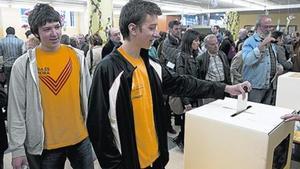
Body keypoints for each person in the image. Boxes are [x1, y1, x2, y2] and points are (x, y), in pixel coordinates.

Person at [87, 1, 251, 169]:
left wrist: (225, 88)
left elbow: (184, 83)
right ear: (133, 29)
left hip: (156, 161)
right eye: (151, 28)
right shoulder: (108, 69)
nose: (157, 34)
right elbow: (97, 126)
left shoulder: (152, 65)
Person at [7, 3, 93, 169]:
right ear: (36, 32)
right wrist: (17, 149)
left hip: (81, 138)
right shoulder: (23, 65)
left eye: (57, 27)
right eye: (47, 29)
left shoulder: (77, 57)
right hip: (46, 146)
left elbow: (89, 97)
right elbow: (16, 110)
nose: (54, 33)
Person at [242, 15, 283, 105]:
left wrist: (277, 66)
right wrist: (261, 46)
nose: (269, 29)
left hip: (269, 84)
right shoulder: (249, 41)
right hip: (255, 86)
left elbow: (270, 60)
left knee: (264, 112)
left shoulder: (270, 42)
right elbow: (247, 60)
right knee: (252, 112)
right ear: (258, 26)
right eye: (266, 26)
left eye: (271, 26)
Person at [174, 29, 201, 150]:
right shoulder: (181, 57)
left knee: (190, 121)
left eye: (198, 40)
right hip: (187, 95)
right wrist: (186, 102)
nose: (198, 43)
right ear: (189, 41)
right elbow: (181, 81)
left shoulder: (193, 55)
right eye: (196, 40)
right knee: (186, 122)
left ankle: (182, 140)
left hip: (195, 93)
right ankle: (182, 141)